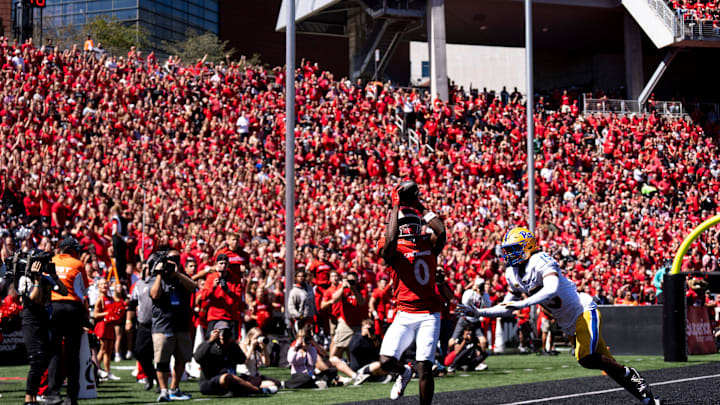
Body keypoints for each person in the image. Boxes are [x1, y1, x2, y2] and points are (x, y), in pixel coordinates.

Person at [458, 227, 661, 405]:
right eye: (507, 251)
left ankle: (629, 374)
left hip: (583, 311)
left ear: (527, 246)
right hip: (568, 323)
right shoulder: (512, 273)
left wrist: (523, 303)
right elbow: (508, 306)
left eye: (513, 249)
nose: (509, 255)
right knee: (605, 363)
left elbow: (552, 289)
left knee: (585, 358)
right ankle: (647, 398)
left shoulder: (540, 259)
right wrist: (480, 312)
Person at [377, 180, 449, 404]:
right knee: (386, 360)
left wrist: (420, 206)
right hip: (404, 312)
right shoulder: (394, 247)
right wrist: (395, 206)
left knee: (425, 367)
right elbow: (389, 242)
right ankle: (402, 372)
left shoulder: (427, 243)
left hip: (429, 312)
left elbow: (441, 230)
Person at [149, 249, 197, 402]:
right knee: (162, 360)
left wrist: (177, 274)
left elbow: (193, 287)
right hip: (163, 326)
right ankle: (163, 390)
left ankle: (174, 388)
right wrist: (159, 274)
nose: (172, 262)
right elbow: (154, 295)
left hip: (181, 325)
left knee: (181, 358)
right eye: (170, 259)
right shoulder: (157, 277)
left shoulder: (181, 277)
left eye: (176, 258)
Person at [18, 258, 68, 405]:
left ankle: (34, 397)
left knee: (44, 359)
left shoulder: (46, 278)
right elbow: (35, 299)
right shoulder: (24, 279)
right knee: (36, 359)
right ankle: (29, 398)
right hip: (31, 323)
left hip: (45, 321)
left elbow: (63, 292)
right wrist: (36, 280)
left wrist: (54, 277)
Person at [47, 237, 89, 405]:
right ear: (70, 249)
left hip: (54, 307)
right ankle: (71, 396)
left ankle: (53, 394)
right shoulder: (78, 264)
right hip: (73, 308)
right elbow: (84, 289)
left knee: (55, 352)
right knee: (73, 354)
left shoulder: (51, 260)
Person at [193, 321, 277, 397]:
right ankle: (259, 391)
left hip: (230, 382)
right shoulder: (209, 346)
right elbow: (197, 358)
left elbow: (242, 359)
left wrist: (232, 342)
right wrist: (210, 341)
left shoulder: (232, 347)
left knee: (267, 382)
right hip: (210, 383)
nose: (223, 335)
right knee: (227, 377)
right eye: (221, 332)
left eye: (226, 332)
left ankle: (243, 390)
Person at [198, 254, 243, 341]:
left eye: (225, 263)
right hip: (214, 316)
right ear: (216, 264)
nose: (223, 266)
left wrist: (228, 291)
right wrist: (213, 287)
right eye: (221, 263)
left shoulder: (235, 279)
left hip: (230, 316)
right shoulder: (211, 278)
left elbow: (239, 298)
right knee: (211, 341)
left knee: (231, 343)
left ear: (228, 264)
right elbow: (203, 296)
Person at [127, 261, 156, 391]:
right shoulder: (138, 285)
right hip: (143, 323)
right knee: (139, 352)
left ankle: (162, 385)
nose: (146, 270)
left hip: (158, 323)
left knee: (159, 355)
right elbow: (132, 304)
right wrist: (128, 320)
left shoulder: (158, 282)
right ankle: (151, 375)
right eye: (144, 268)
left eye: (148, 268)